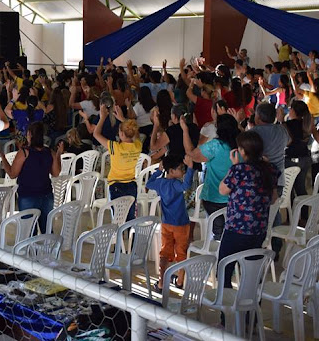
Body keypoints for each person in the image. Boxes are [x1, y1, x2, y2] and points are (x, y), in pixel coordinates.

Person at [218, 131, 279, 288]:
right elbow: (273, 199)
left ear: (242, 151)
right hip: (259, 229)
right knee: (251, 271)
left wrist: (233, 166)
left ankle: (225, 300)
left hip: (236, 229)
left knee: (224, 268)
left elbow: (222, 190)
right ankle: (251, 300)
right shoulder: (270, 169)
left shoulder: (239, 170)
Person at [182, 114, 239, 239]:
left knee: (218, 232)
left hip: (214, 197)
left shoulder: (215, 146)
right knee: (233, 231)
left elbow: (191, 153)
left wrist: (185, 130)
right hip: (235, 198)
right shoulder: (242, 146)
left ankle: (218, 246)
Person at [1, 121, 62, 233]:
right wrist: (58, 155)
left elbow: (12, 174)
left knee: (28, 231)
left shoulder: (24, 152)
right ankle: (48, 245)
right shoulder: (49, 152)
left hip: (28, 196)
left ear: (29, 134)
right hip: (46, 194)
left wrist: (3, 158)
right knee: (47, 230)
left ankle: (32, 245)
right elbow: (56, 173)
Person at [146, 154, 194, 291]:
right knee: (181, 252)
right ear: (172, 171)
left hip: (166, 223)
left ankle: (161, 283)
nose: (183, 171)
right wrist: (191, 168)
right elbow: (187, 185)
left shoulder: (160, 183)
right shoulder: (176, 184)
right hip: (181, 224)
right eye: (181, 169)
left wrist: (159, 171)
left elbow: (148, 184)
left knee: (165, 252)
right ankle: (179, 281)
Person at [249, 102, 290, 259]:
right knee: (274, 212)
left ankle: (258, 247)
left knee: (258, 214)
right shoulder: (281, 130)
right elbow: (288, 142)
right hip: (278, 179)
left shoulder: (255, 132)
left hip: (260, 180)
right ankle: (276, 247)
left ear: (258, 117)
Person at [93, 105, 142, 221]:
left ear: (121, 134)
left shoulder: (115, 147)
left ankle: (120, 233)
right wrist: (123, 119)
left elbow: (96, 134)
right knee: (130, 217)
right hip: (131, 185)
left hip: (116, 185)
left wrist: (102, 118)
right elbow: (136, 135)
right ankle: (130, 233)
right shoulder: (138, 146)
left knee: (118, 218)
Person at [283, 100, 312, 206]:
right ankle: (303, 214)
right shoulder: (307, 124)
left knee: (290, 189)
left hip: (291, 159)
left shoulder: (288, 125)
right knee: (301, 189)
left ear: (293, 111)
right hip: (305, 158)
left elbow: (288, 141)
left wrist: (281, 121)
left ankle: (292, 213)